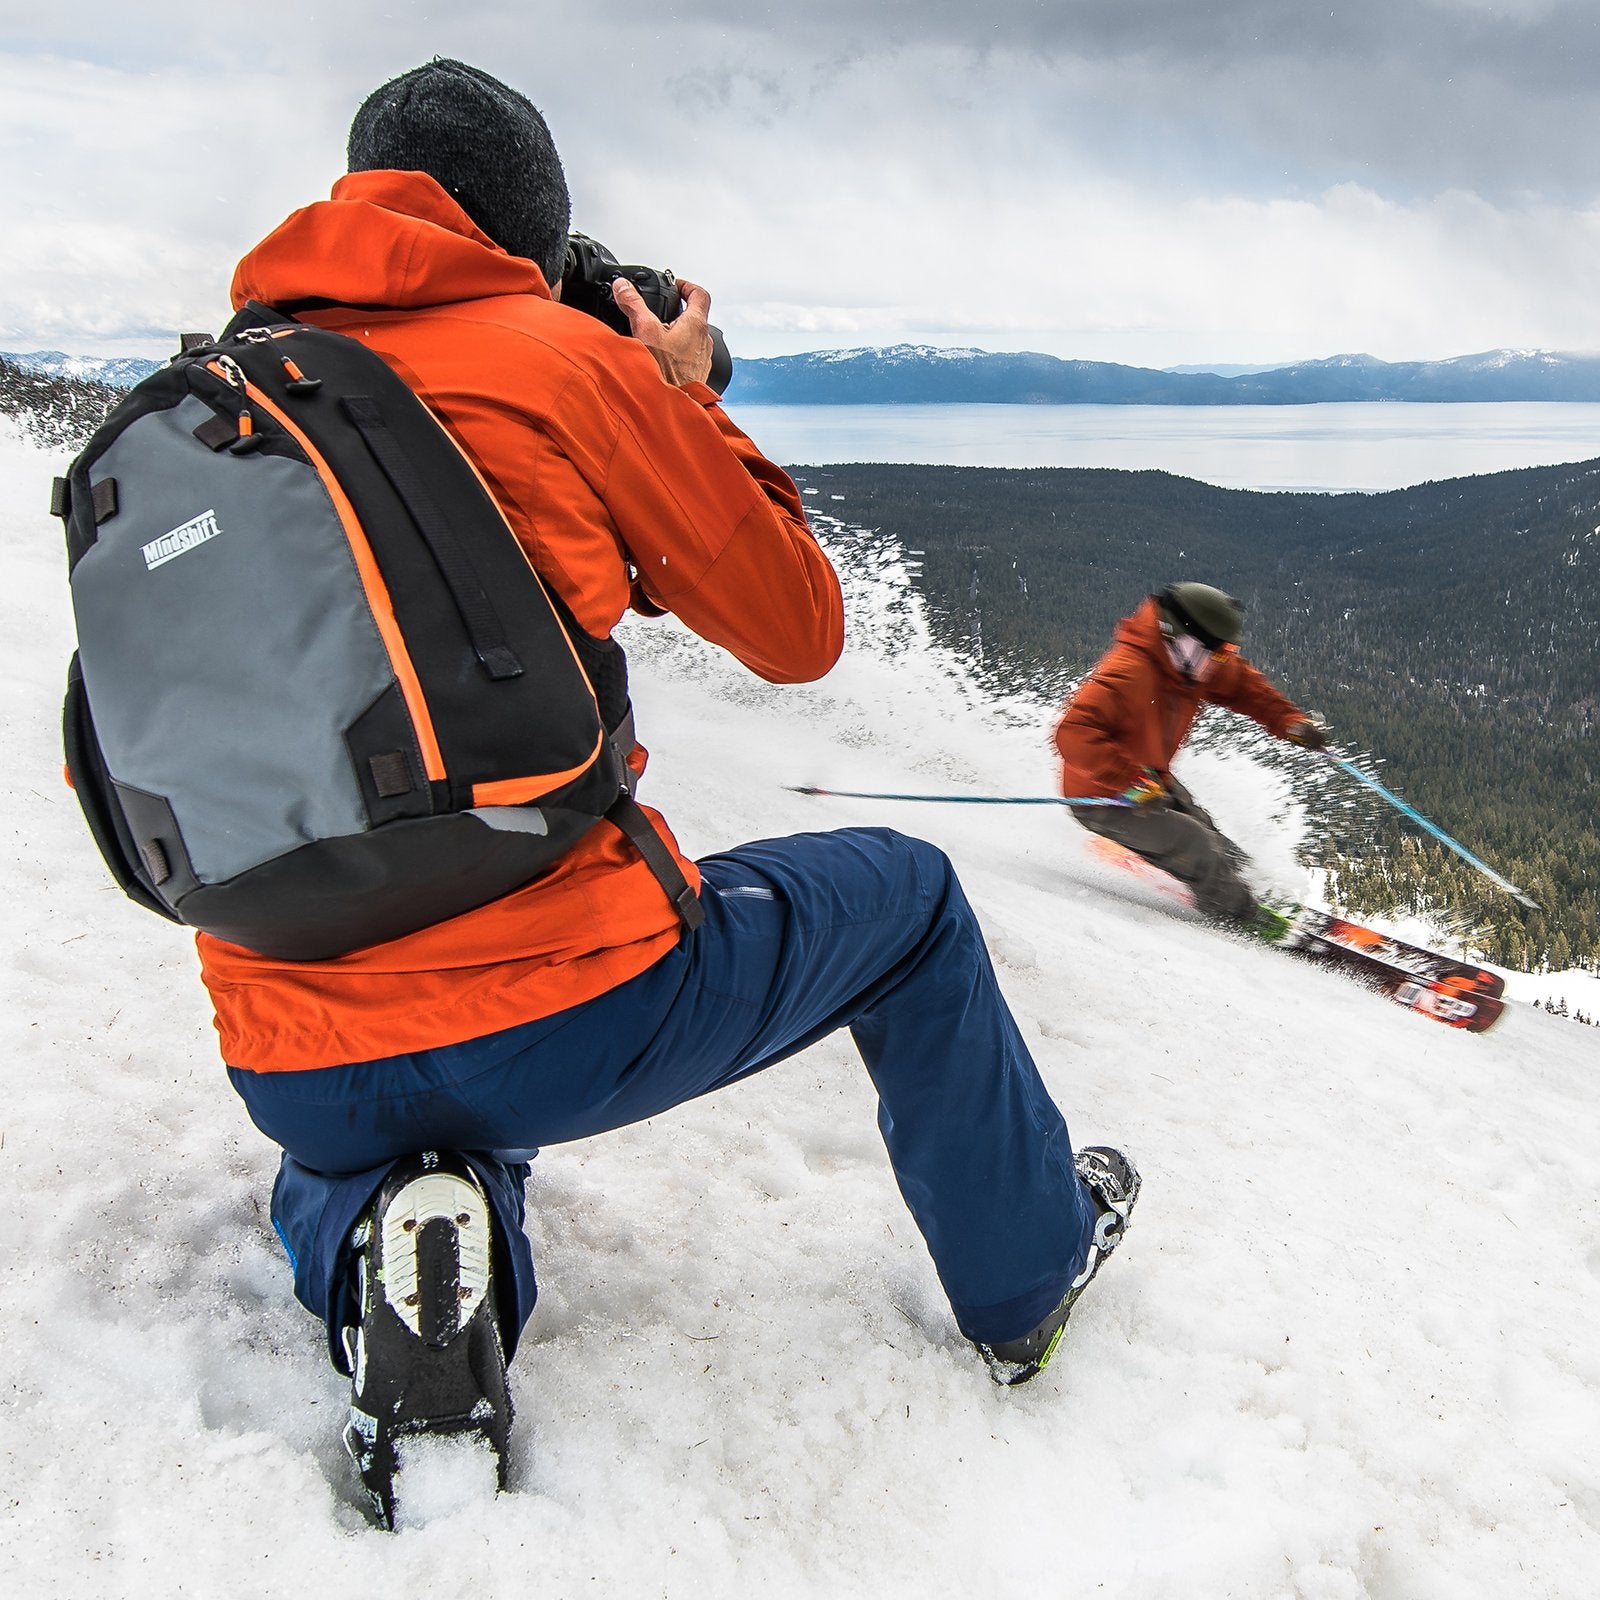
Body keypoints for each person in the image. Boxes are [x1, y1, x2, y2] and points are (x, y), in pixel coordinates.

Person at [203, 59, 1139, 1525]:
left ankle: (396, 1235)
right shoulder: (557, 360)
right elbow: (796, 624)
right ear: (527, 226)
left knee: (398, 1127)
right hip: (562, 1011)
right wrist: (682, 395)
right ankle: (1026, 1281)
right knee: (908, 905)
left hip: (292, 1041)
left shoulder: (210, 403)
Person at [1055, 582, 1328, 929]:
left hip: (1150, 778)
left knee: (1207, 830)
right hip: (1102, 796)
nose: (1218, 662)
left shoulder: (1192, 663)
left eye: (1223, 653)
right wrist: (1128, 783)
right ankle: (1242, 917)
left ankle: (1254, 890)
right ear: (1176, 637)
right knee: (1195, 844)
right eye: (1213, 653)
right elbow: (1073, 732)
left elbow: (1243, 685)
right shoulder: (1128, 672)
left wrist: (1289, 721)